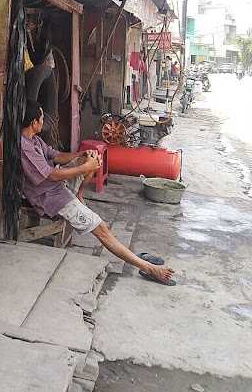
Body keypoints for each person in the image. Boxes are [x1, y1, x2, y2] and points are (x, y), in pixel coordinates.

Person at [20, 100, 175, 285]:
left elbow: (56, 156)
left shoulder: (34, 140)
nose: (44, 121)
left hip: (56, 188)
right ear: (34, 123)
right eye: (42, 118)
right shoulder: (24, 147)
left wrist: (82, 156)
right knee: (101, 229)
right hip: (47, 197)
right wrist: (86, 166)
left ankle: (79, 195)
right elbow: (51, 175)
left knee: (89, 157)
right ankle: (149, 268)